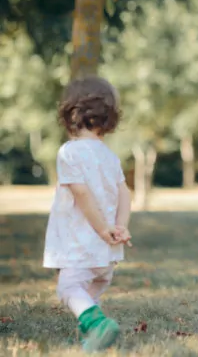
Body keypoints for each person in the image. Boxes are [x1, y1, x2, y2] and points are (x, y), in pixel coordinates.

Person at [43, 76, 132, 352]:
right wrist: (120, 226)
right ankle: (92, 338)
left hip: (82, 245)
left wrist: (103, 229)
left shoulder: (69, 153)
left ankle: (98, 326)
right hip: (105, 254)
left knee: (68, 288)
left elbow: (81, 194)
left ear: (71, 113)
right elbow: (125, 193)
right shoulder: (108, 155)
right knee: (90, 295)